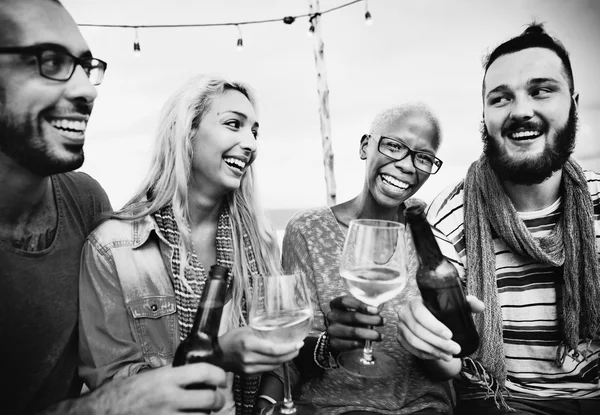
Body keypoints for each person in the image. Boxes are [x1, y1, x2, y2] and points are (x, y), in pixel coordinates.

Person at [0, 0, 229, 414]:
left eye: (88, 67)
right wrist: (106, 407)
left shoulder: (84, 201)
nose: (88, 89)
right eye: (50, 61)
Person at [397, 23, 600, 415]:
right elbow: (449, 363)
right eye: (501, 98)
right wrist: (429, 343)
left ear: (574, 102)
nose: (521, 111)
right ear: (485, 115)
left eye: (541, 90)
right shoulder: (448, 219)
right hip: (499, 402)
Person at [78, 74, 302, 415]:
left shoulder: (261, 239)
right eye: (233, 124)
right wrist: (217, 355)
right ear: (187, 133)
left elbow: (279, 353)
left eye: (255, 131)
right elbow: (113, 388)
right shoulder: (113, 247)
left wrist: (268, 400)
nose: (251, 144)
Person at [269, 103, 454, 414]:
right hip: (331, 407)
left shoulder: (432, 240)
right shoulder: (308, 230)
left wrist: (439, 341)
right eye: (394, 146)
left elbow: (449, 363)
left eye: (423, 157)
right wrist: (329, 344)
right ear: (365, 146)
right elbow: (291, 350)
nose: (407, 165)